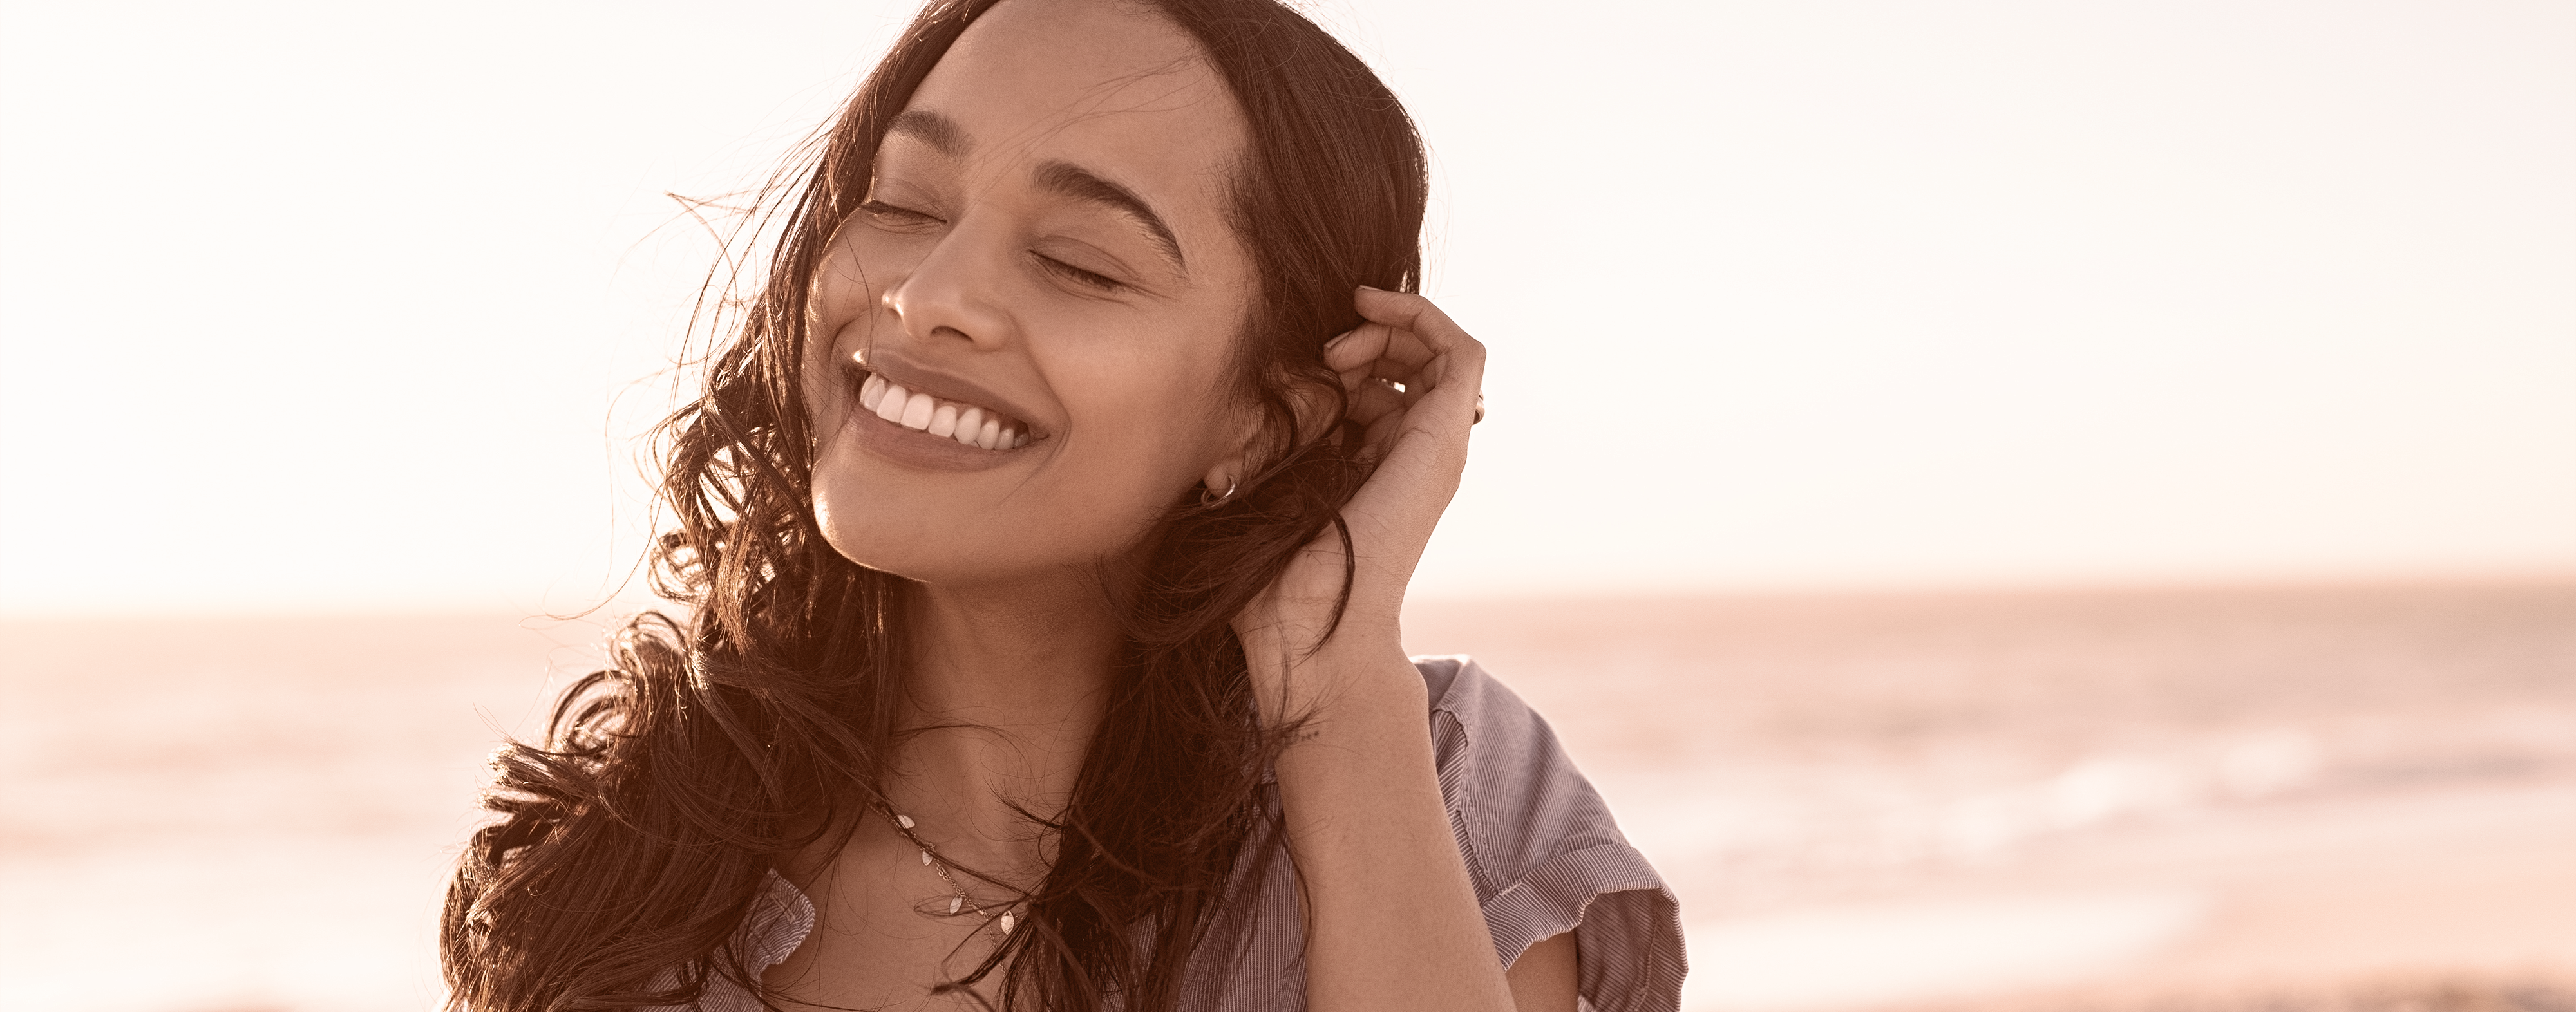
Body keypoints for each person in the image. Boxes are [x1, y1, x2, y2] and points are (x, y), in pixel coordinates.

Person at [442, 1, 1682, 1009]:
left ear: (1265, 419)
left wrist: (1337, 682)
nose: (931, 296)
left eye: (1077, 262)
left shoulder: (1436, 778)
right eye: (904, 205)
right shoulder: (609, 880)